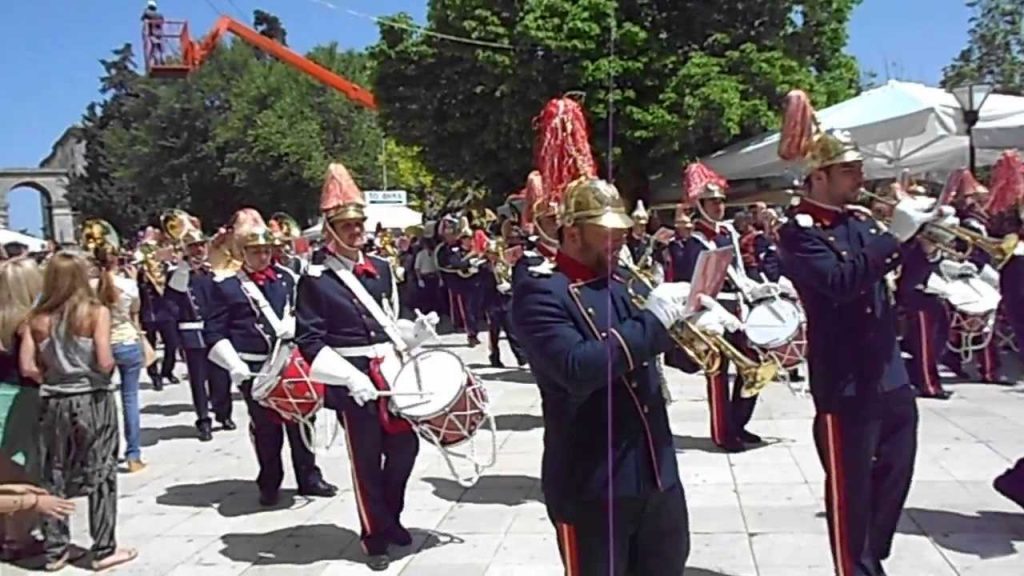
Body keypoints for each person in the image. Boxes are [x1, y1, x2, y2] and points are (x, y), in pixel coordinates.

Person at [514, 176, 743, 575]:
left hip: (656, 471)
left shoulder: (624, 280)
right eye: (607, 230)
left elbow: (664, 356)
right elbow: (577, 368)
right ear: (572, 231)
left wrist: (696, 327)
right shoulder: (540, 292)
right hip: (592, 484)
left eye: (621, 229)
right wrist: (656, 322)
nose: (619, 237)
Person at [775, 89, 953, 576]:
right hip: (845, 381)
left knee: (896, 472)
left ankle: (872, 557)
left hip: (888, 372)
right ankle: (856, 567)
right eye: (850, 171)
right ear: (819, 176)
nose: (861, 178)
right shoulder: (798, 231)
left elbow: (893, 270)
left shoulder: (858, 220)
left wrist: (923, 237)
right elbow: (841, 282)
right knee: (850, 490)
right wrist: (895, 234)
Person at [296, 163, 430, 571]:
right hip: (351, 378)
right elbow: (309, 341)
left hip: (390, 373)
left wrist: (416, 333)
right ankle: (374, 532)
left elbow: (393, 319)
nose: (357, 230)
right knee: (366, 459)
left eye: (359, 223)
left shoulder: (383, 269)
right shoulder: (315, 278)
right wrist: (350, 377)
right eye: (347, 224)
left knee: (406, 447)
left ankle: (392, 515)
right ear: (330, 229)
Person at [206, 211, 336, 506]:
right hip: (255, 366)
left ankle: (309, 477)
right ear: (243, 252)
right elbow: (213, 332)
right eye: (256, 251)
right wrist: (233, 364)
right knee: (266, 426)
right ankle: (270, 479)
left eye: (267, 250)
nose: (263, 256)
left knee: (304, 418)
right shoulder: (226, 285)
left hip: (292, 361)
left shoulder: (288, 278)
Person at [20, 252, 137, 571]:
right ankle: (103, 549)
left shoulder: (37, 318)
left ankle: (55, 549)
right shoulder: (95, 312)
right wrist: (101, 370)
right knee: (101, 473)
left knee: (53, 472)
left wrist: (51, 374)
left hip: (54, 400)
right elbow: (103, 359)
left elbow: (27, 366)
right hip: (92, 398)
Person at [682, 162, 764, 452]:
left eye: (720, 201)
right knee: (718, 375)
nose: (718, 206)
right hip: (711, 315)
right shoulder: (693, 241)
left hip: (736, 310)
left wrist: (756, 288)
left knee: (753, 365)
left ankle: (739, 423)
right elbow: (694, 287)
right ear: (700, 204)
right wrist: (715, 311)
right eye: (712, 202)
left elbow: (738, 271)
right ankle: (722, 433)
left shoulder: (727, 234)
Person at [167, 224, 235, 442]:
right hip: (192, 333)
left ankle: (224, 413)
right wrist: (184, 266)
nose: (198, 250)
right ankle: (203, 420)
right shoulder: (179, 273)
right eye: (193, 246)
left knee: (221, 376)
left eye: (200, 245)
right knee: (198, 379)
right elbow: (176, 292)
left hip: (216, 331)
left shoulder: (212, 271)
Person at [0, 258, 43, 560]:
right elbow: (32, 368)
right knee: (21, 469)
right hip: (21, 397)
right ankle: (18, 539)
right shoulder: (30, 322)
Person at [94, 244, 149, 470]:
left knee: (103, 401)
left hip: (101, 345)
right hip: (127, 341)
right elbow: (135, 314)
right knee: (130, 400)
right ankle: (133, 455)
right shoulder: (128, 284)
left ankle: (105, 452)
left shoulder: (89, 287)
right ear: (117, 259)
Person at [137, 235, 180, 391]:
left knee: (172, 344)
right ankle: (154, 376)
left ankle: (167, 370)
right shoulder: (140, 272)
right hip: (148, 313)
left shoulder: (167, 269)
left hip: (166, 312)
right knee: (151, 346)